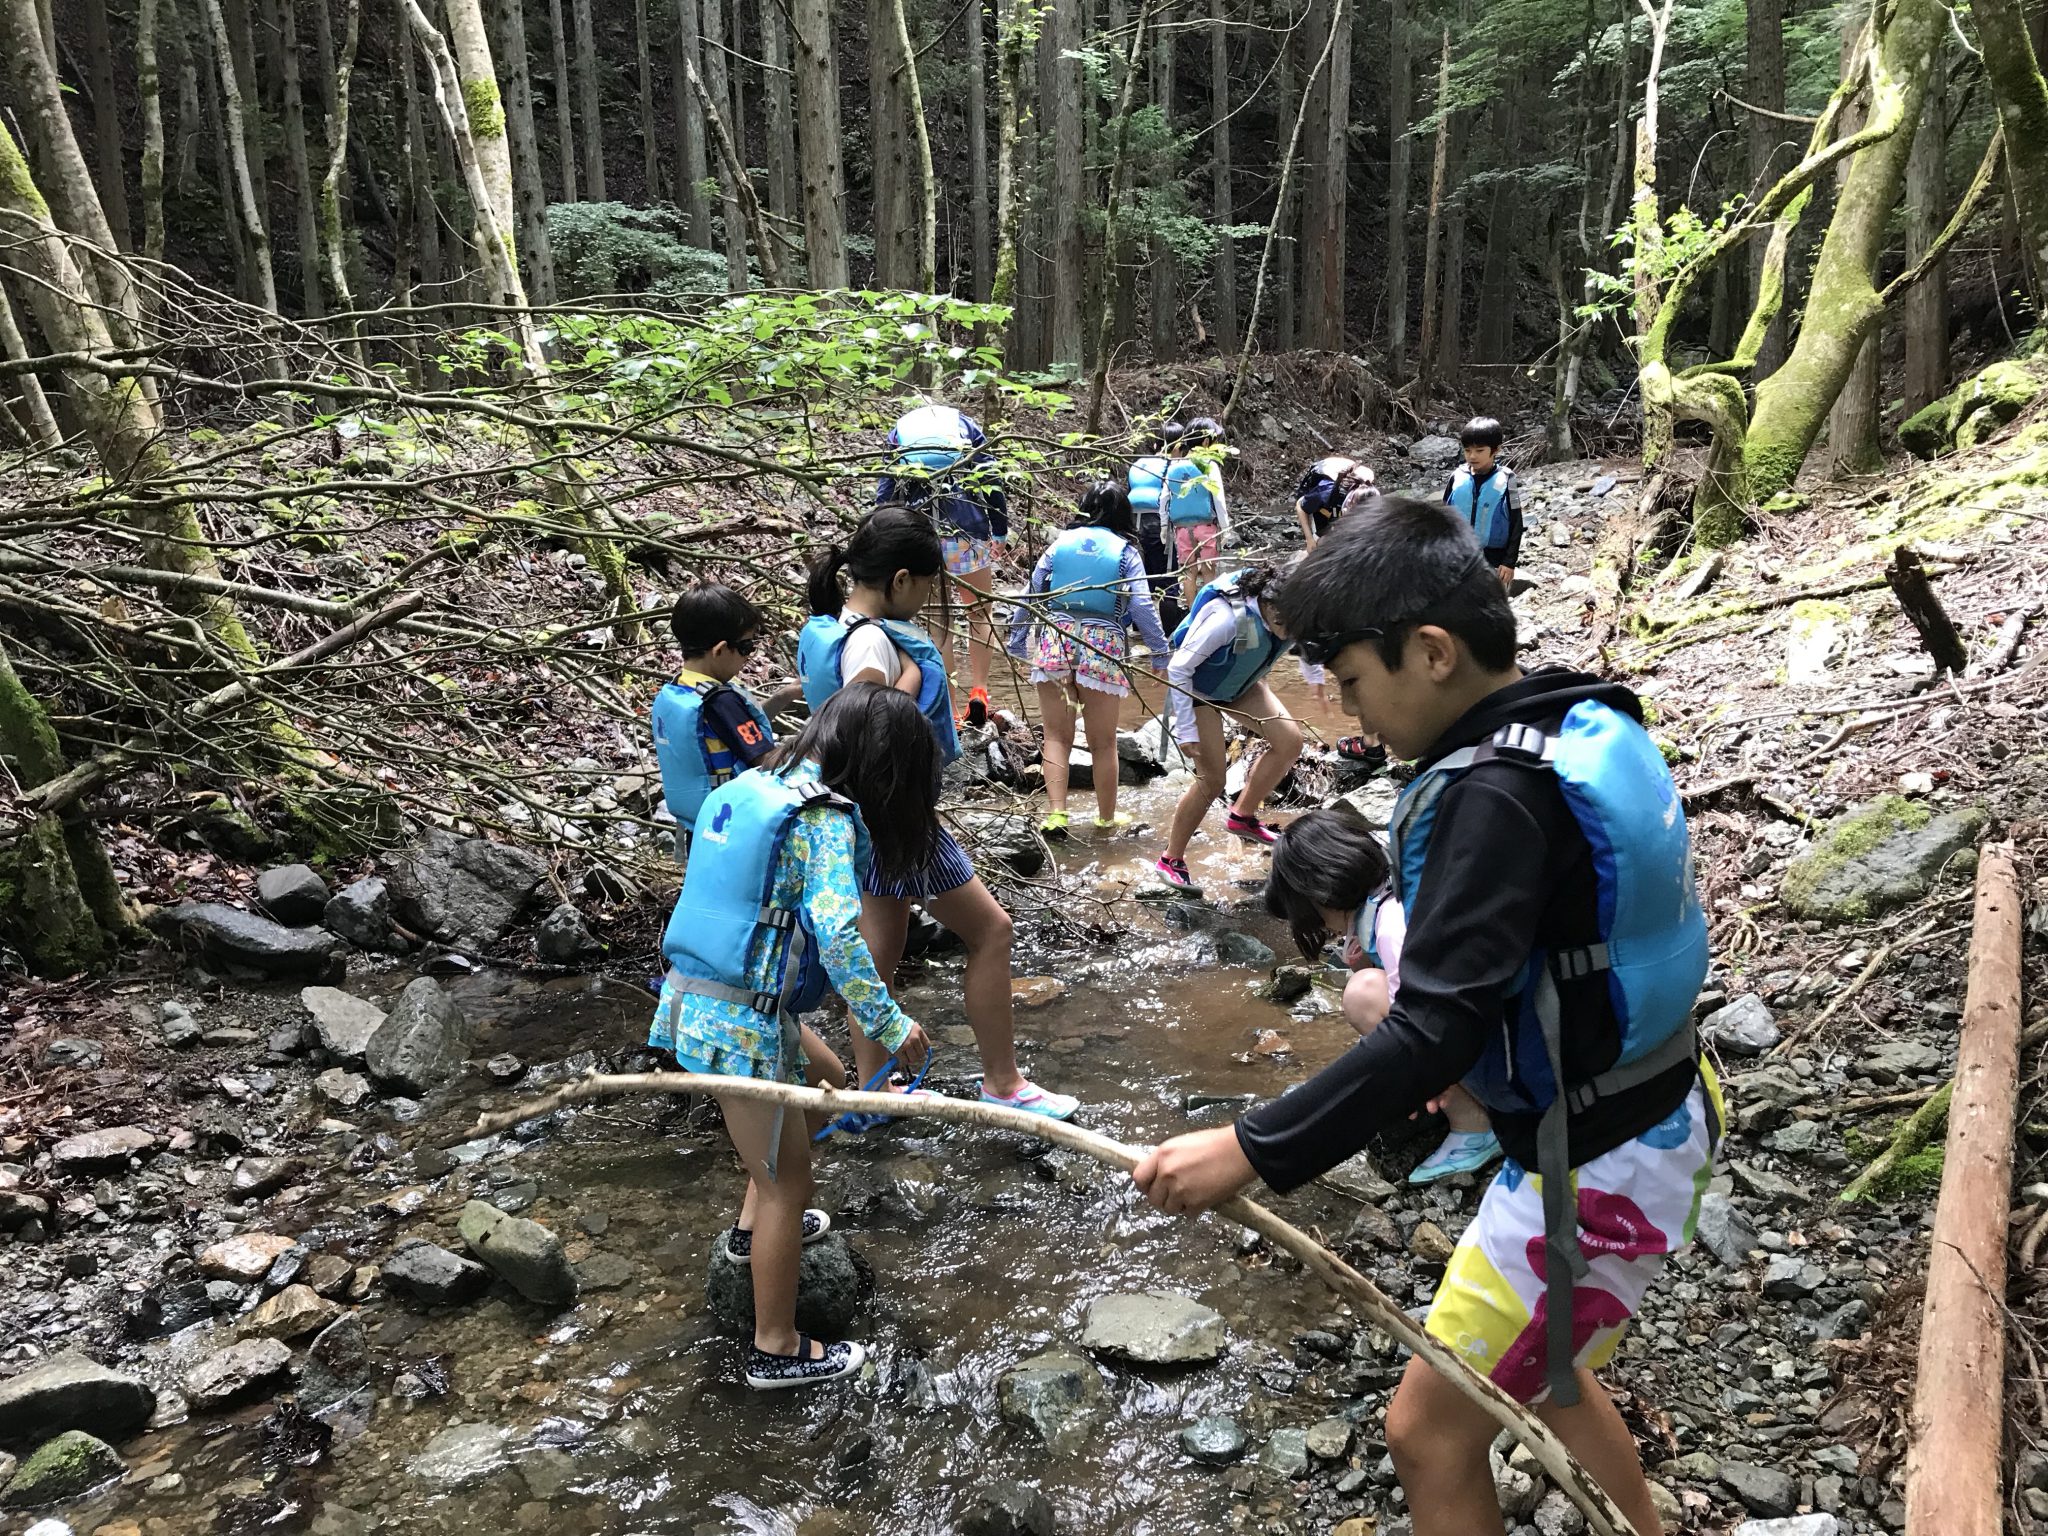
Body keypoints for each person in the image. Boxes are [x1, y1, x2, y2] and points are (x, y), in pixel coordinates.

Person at [1130, 497, 1720, 1536]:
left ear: (1433, 652)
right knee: (1552, 1377)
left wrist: (1249, 1148)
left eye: (1353, 682)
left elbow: (1434, 1028)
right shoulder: (1567, 718)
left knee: (1426, 1433)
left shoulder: (1495, 796)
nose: (1345, 709)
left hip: (1589, 1168)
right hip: (1654, 1110)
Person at [651, 684, 936, 1388]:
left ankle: (750, 1238)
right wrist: (890, 1022)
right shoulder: (822, 820)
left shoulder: (754, 785)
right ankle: (774, 1348)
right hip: (742, 1023)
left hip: (697, 1002)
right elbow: (838, 937)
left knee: (822, 1086)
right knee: (791, 1183)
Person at [798, 508, 1079, 1122]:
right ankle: (1003, 1082)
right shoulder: (873, 642)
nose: (927, 599)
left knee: (879, 954)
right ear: (900, 580)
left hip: (861, 817)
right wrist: (913, 677)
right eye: (926, 585)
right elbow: (864, 727)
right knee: (992, 931)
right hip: (895, 817)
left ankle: (874, 1094)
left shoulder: (837, 625)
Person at [1264, 805, 1501, 1183]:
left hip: (1495, 1050)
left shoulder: (1391, 925)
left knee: (1361, 996)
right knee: (1366, 984)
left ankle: (1474, 1124)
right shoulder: (1395, 884)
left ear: (1320, 895)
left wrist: (1410, 1078)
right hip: (1496, 1022)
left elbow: (1424, 1021)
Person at [1006, 482, 1171, 836]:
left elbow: (1030, 593)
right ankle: (1106, 818)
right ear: (1123, 515)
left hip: (1055, 642)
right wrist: (1160, 652)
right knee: (1104, 743)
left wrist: (1017, 643)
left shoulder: (1059, 545)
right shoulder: (1126, 553)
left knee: (1055, 736)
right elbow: (1142, 605)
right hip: (1102, 649)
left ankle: (1057, 815)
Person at [1152, 565, 1304, 891]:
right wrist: (1186, 729)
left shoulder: (1291, 614)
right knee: (1212, 780)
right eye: (1285, 623)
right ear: (1268, 604)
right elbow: (1178, 668)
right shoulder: (1226, 618)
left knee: (1290, 741)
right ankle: (1170, 859)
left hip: (1240, 685)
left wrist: (1316, 681)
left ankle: (1242, 817)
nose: (1290, 632)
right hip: (1199, 690)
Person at [878, 401, 1011, 726]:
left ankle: (950, 708)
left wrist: (884, 532)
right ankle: (979, 691)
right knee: (980, 612)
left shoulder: (900, 432)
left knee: (939, 620)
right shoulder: (965, 425)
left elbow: (886, 488)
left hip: (921, 534)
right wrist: (1000, 529)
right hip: (967, 532)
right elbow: (990, 478)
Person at [650, 584, 803, 858]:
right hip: (730, 829)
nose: (748, 656)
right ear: (720, 650)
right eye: (746, 646)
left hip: (696, 827)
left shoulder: (680, 689)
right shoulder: (721, 701)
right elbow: (769, 762)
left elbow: (732, 733)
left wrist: (783, 696)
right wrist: (813, 745)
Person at [1445, 416, 1525, 588]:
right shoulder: (1456, 477)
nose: (1472, 456)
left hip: (1494, 560)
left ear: (1496, 450)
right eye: (1467, 450)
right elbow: (1442, 520)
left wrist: (1509, 562)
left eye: (1479, 450)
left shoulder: (1506, 479)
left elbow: (1516, 523)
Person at [1164, 423, 1231, 612]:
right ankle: (1211, 611)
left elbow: (1164, 499)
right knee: (1209, 571)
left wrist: (1163, 526)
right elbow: (1218, 499)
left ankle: (1192, 613)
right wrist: (1225, 527)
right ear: (1206, 442)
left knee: (1188, 572)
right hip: (1206, 526)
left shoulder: (1174, 466)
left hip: (1182, 529)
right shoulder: (1209, 465)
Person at [1126, 425, 1183, 628]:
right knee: (1168, 580)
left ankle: (1138, 627)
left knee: (1140, 578)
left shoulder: (1138, 464)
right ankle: (1169, 632)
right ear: (1178, 446)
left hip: (1132, 524)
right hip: (1158, 524)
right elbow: (1173, 499)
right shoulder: (1173, 466)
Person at [1293, 453, 1364, 551]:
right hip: (1323, 478)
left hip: (1345, 481)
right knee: (1319, 544)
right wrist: (1309, 539)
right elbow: (1300, 506)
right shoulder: (1323, 494)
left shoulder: (1366, 493)